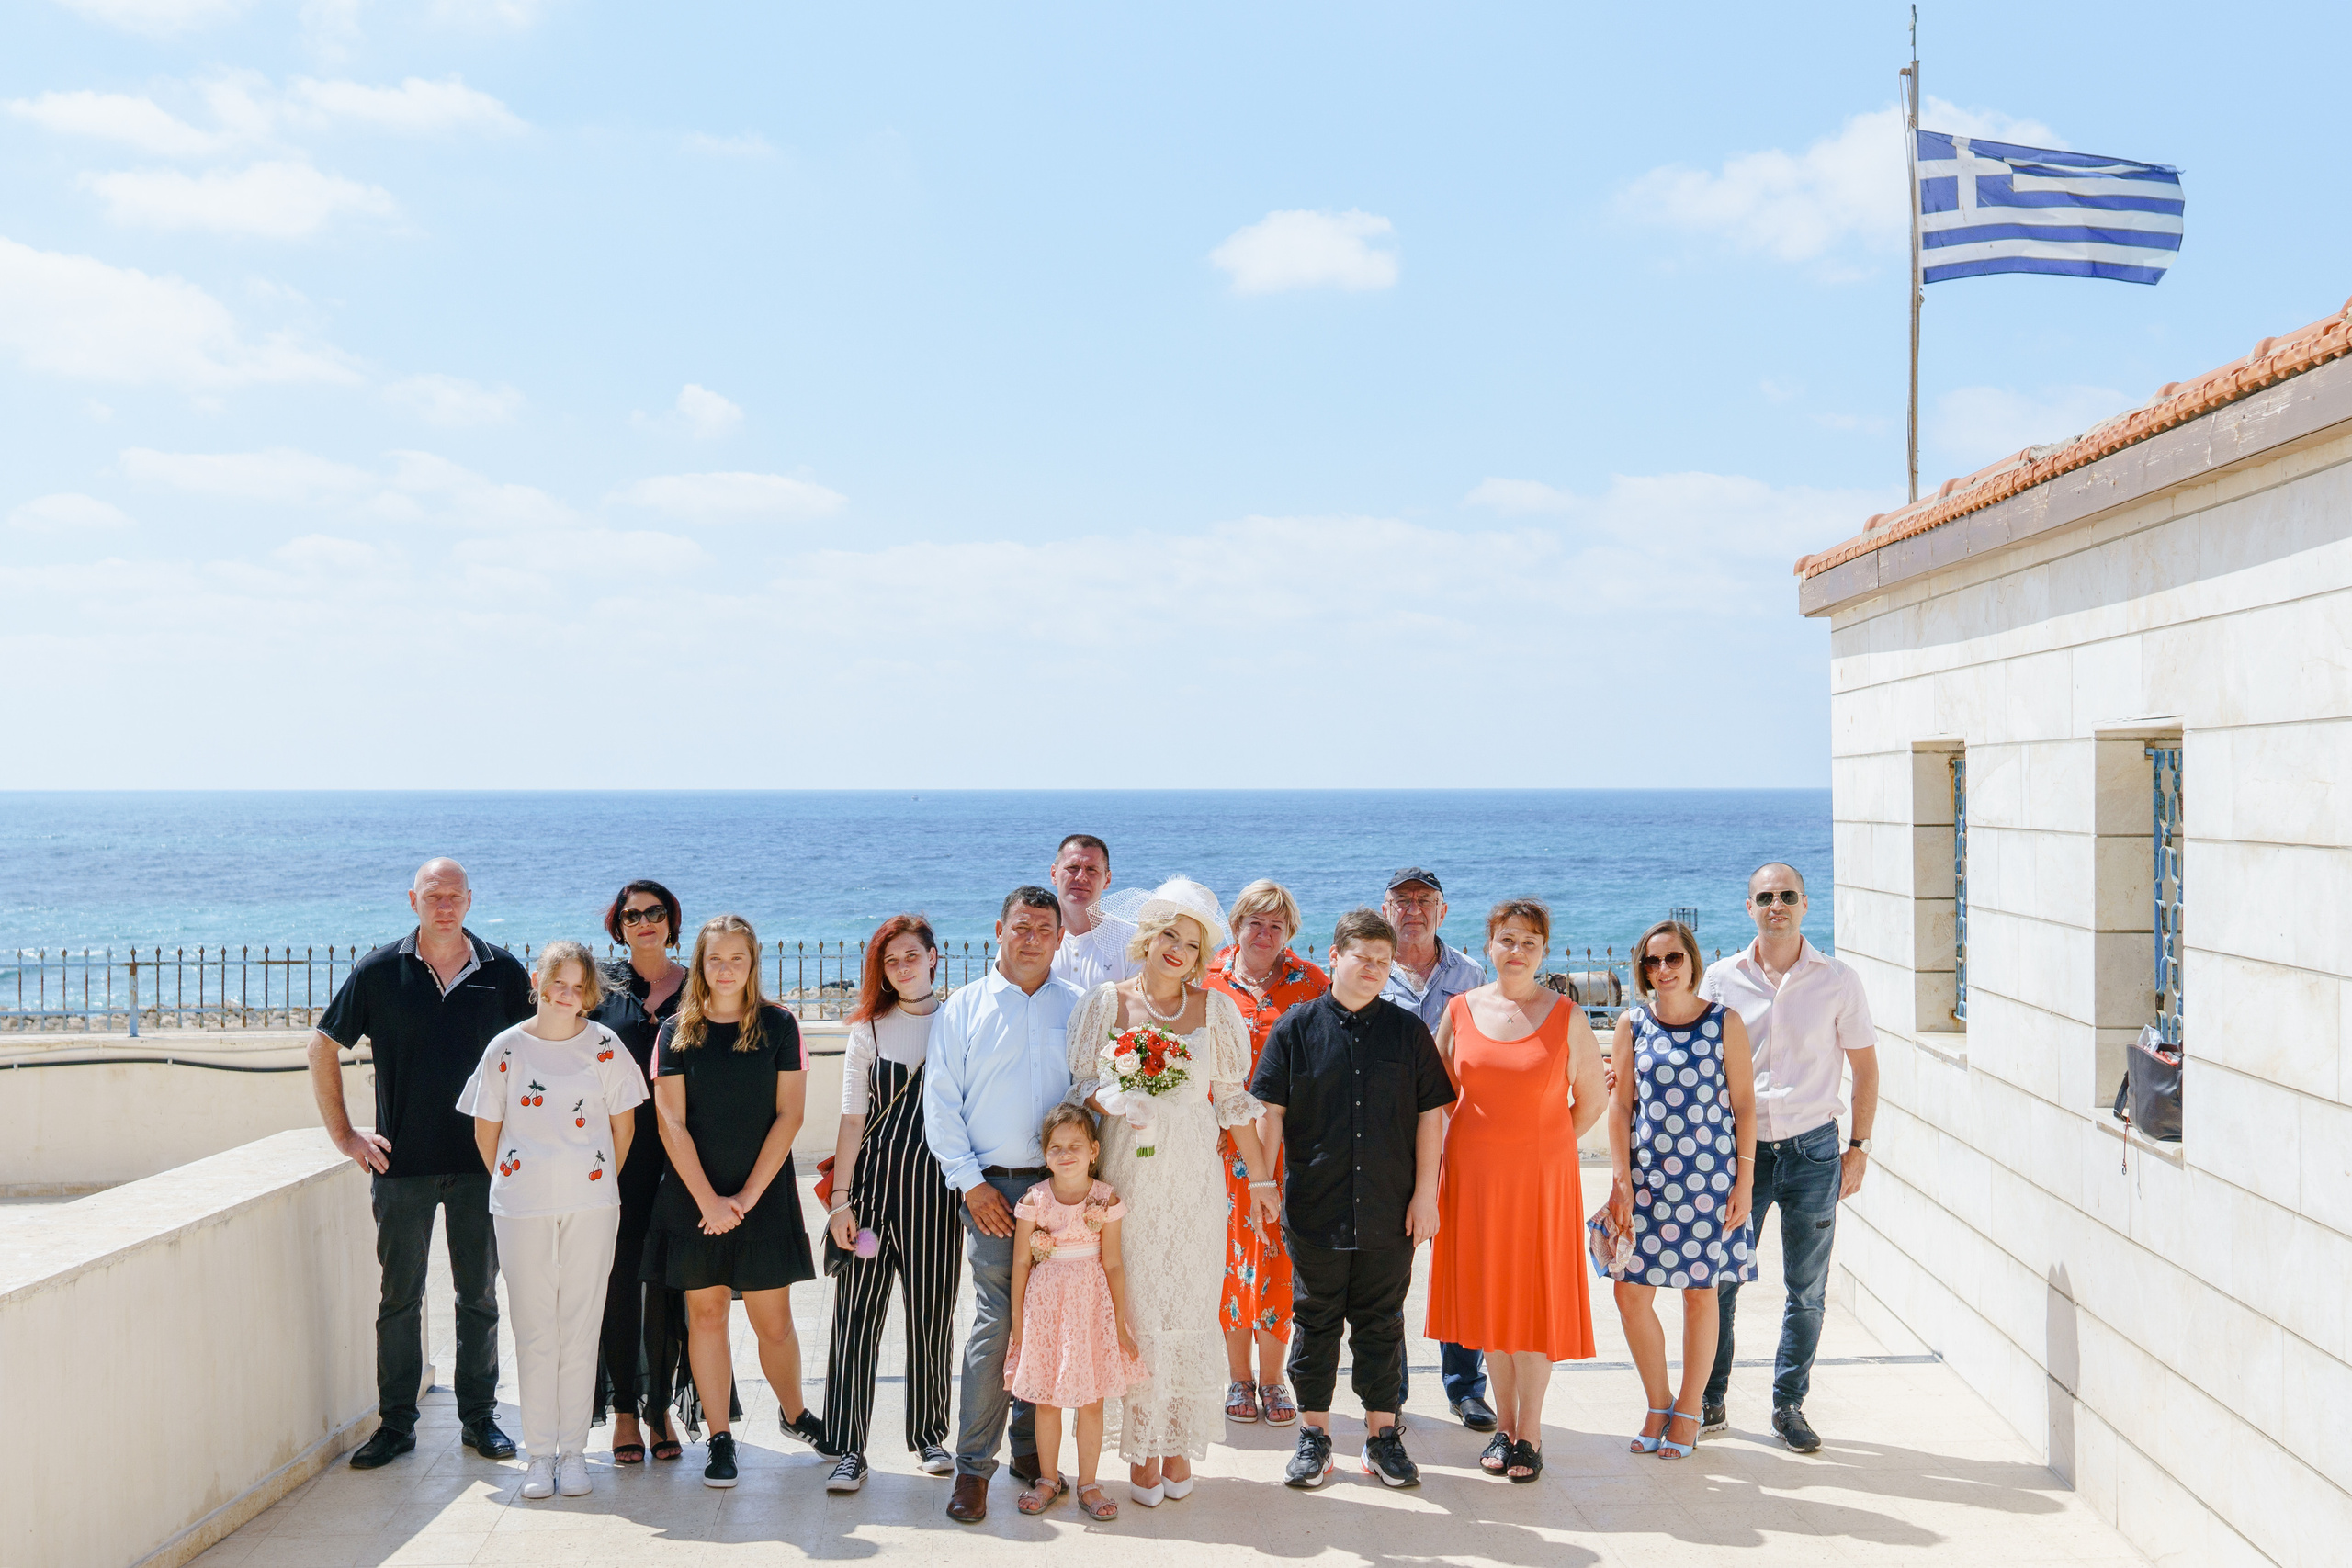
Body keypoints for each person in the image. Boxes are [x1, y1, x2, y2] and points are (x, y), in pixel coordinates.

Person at [308, 857, 533, 1471]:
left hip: (480, 1166)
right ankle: (396, 1424)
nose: (444, 906)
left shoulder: (505, 972)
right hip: (400, 1166)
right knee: (399, 1297)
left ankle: (480, 1418)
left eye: (454, 895)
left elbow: (535, 1055)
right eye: (433, 895)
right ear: (413, 899)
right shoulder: (380, 970)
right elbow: (322, 1045)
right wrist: (346, 1136)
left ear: (470, 899)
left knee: (479, 1296)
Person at [1066, 876, 1269, 1505]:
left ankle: (1177, 1443)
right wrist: (1123, 1095)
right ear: (1149, 938)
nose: (1178, 949)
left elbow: (1234, 1104)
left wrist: (1261, 1179)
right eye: (1170, 936)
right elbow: (1080, 1091)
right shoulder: (1108, 1002)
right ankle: (1141, 1453)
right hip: (1128, 1182)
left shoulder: (1217, 1010)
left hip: (1194, 1188)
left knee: (1186, 1310)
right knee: (1138, 1313)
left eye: (1192, 941)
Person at [1250, 908, 1454, 1492]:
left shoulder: (1407, 1031)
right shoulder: (1295, 1028)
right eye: (1361, 958)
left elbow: (1429, 1117)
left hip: (1392, 1207)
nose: (1371, 970)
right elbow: (1270, 1113)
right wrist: (1265, 1184)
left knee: (1382, 1323)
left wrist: (1426, 1196)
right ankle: (1314, 1436)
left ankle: (1382, 1437)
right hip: (1315, 1204)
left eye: (1382, 962)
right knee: (1314, 1321)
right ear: (1334, 956)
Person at [1697, 862, 1880, 1454]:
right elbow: (1694, 1055)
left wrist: (1859, 1147)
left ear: (1805, 906)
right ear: (1748, 906)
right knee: (1722, 1279)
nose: (1776, 905)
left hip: (1814, 1151)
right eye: (1765, 897)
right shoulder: (1720, 979)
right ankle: (1710, 1397)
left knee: (1806, 1289)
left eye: (1787, 896)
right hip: (1737, 1155)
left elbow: (1865, 1067)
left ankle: (1788, 1405)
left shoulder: (1838, 979)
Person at [640, 914, 827, 1489]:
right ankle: (720, 1439)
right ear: (700, 964)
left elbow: (790, 1115)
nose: (725, 969)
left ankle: (795, 1415)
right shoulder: (675, 1030)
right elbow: (670, 1121)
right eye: (714, 959)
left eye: (736, 959)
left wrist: (745, 1197)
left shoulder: (779, 1026)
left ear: (752, 964)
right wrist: (710, 1200)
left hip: (762, 1197)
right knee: (707, 1315)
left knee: (775, 1323)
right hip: (694, 1199)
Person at [457, 941, 648, 1498]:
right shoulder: (507, 1048)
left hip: (592, 1205)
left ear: (590, 992)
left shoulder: (606, 1046)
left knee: (581, 1325)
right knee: (535, 1327)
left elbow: (624, 1130)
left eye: (577, 986)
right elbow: (486, 1130)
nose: (566, 995)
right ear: (538, 981)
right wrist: (521, 1182)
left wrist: (593, 1180)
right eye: (556, 983)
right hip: (521, 1207)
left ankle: (574, 1454)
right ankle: (540, 1455)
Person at [1425, 900, 1608, 1483]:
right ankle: (1503, 1427)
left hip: (1541, 1183)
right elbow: (1436, 1095)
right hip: (1474, 1181)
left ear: (1544, 951)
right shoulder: (1460, 1009)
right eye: (1507, 939)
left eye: (1530, 941)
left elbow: (1593, 1101)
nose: (1518, 951)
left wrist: (1545, 1142)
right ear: (1489, 946)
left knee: (1532, 1305)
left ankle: (1530, 1432)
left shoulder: (1566, 1015)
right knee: (1493, 1306)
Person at [924, 886, 1084, 1524]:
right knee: (996, 1325)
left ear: (1059, 938)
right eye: (1021, 926)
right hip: (989, 1190)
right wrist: (971, 1183)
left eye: (1044, 928)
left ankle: (1028, 1449)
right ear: (999, 929)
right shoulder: (962, 1008)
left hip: (1055, 1191)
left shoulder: (1077, 1007)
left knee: (1043, 1321)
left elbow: (1089, 1091)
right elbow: (940, 1102)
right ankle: (972, 1469)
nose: (1032, 938)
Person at [818, 915, 963, 1494]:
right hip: (873, 1201)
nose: (902, 967)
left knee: (932, 1317)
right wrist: (840, 1202)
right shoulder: (868, 1030)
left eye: (911, 956)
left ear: (934, 958)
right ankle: (849, 1447)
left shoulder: (959, 1021)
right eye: (890, 960)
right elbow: (853, 1120)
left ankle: (930, 1435)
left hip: (937, 1196)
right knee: (856, 1317)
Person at [1608, 919, 1757, 1461]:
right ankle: (1657, 1401)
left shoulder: (1724, 1023)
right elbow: (1621, 1106)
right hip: (1646, 1181)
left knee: (1701, 1294)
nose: (1663, 969)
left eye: (1673, 958)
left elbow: (1744, 1106)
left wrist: (1744, 1180)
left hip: (1709, 1181)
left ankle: (1690, 1408)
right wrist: (1621, 1179)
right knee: (1629, 1293)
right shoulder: (1632, 1024)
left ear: (1691, 960)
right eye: (1653, 961)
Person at [1200, 877, 1326, 1428]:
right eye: (1255, 922)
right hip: (1217, 1145)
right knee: (1230, 1260)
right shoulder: (1208, 980)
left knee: (1277, 1259)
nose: (1265, 933)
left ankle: (1273, 1381)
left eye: (1276, 925)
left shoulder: (1312, 983)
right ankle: (1238, 1378)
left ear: (1290, 933)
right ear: (1236, 925)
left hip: (1287, 1145)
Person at [1375, 866, 1495, 1434]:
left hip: (1459, 1145)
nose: (1413, 910)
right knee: (1389, 1275)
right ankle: (1389, 1392)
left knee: (1461, 1269)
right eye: (1402, 901)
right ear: (1385, 910)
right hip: (1387, 1148)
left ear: (1443, 912)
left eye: (1425, 901)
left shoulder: (1471, 975)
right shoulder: (1368, 973)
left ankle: (1466, 1387)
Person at [588, 878, 695, 1464]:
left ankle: (662, 1411)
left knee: (674, 1288)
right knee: (621, 1283)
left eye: (656, 913)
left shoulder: (700, 986)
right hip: (618, 1159)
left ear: (672, 921)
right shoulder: (599, 990)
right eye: (633, 916)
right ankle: (626, 1410)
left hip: (686, 1161)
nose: (645, 922)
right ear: (619, 926)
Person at [1004, 1104, 1148, 1522]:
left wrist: (1120, 1324)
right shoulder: (1035, 1200)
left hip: (1090, 1308)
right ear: (1045, 1154)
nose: (1065, 1154)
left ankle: (1088, 1482)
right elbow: (1020, 1264)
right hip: (1046, 1308)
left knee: (1091, 1399)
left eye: (1074, 1146)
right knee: (1046, 1400)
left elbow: (1114, 1264)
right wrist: (1017, 1320)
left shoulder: (1105, 1199)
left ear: (1094, 1151)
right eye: (1055, 1147)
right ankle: (1048, 1478)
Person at [1047, 834, 1141, 990]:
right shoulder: (1030, 937)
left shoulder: (1132, 942)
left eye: (1092, 869)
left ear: (1108, 880)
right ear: (1053, 874)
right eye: (1072, 868)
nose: (1081, 877)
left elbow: (1139, 1007)